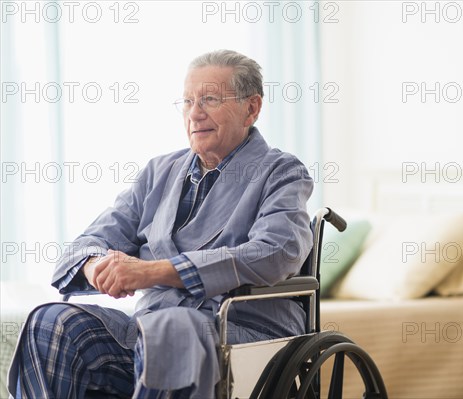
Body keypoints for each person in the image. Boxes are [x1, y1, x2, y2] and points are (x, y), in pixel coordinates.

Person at [7, 49, 314, 398]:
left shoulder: (281, 172)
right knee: (51, 323)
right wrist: (97, 267)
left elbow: (277, 251)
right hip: (151, 331)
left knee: (173, 329)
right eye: (187, 101)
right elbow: (85, 244)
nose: (195, 114)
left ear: (252, 108)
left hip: (240, 330)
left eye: (210, 99)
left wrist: (153, 272)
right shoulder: (159, 173)